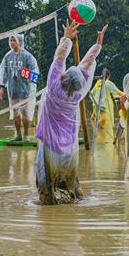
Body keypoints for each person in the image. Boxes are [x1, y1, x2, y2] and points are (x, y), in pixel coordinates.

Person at [35, 22, 107, 204]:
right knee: (73, 187)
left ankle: (48, 217)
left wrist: (67, 38)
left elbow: (59, 57)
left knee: (45, 190)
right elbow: (86, 62)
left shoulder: (53, 88)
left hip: (50, 150)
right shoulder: (77, 96)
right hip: (68, 149)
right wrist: (98, 44)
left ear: (63, 78)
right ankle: (79, 204)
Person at [0, 33, 39, 141]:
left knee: (25, 113)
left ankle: (26, 135)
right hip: (12, 89)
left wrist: (24, 74)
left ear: (20, 42)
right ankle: (18, 135)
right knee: (15, 112)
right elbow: (4, 72)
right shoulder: (8, 56)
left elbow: (34, 74)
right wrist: (2, 87)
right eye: (10, 41)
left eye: (14, 40)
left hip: (25, 89)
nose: (12, 43)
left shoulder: (28, 57)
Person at [89, 69, 121, 143]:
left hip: (95, 107)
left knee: (96, 123)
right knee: (101, 125)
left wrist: (95, 102)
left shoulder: (98, 83)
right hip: (103, 108)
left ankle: (100, 141)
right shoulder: (108, 83)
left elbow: (91, 95)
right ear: (108, 76)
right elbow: (118, 92)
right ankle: (103, 141)